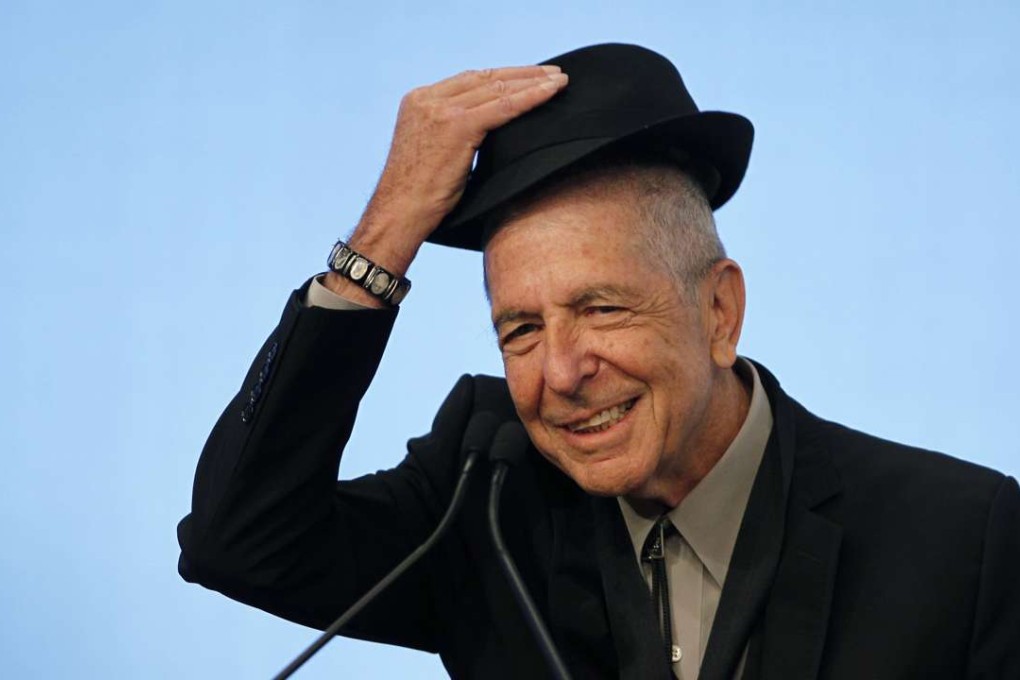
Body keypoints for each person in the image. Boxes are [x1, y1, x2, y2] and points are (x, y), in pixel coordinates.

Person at [177, 44, 1020, 679]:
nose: (562, 372)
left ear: (719, 311)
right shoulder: (484, 491)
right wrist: (383, 236)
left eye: (601, 308)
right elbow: (239, 543)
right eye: (520, 330)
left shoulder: (966, 539)